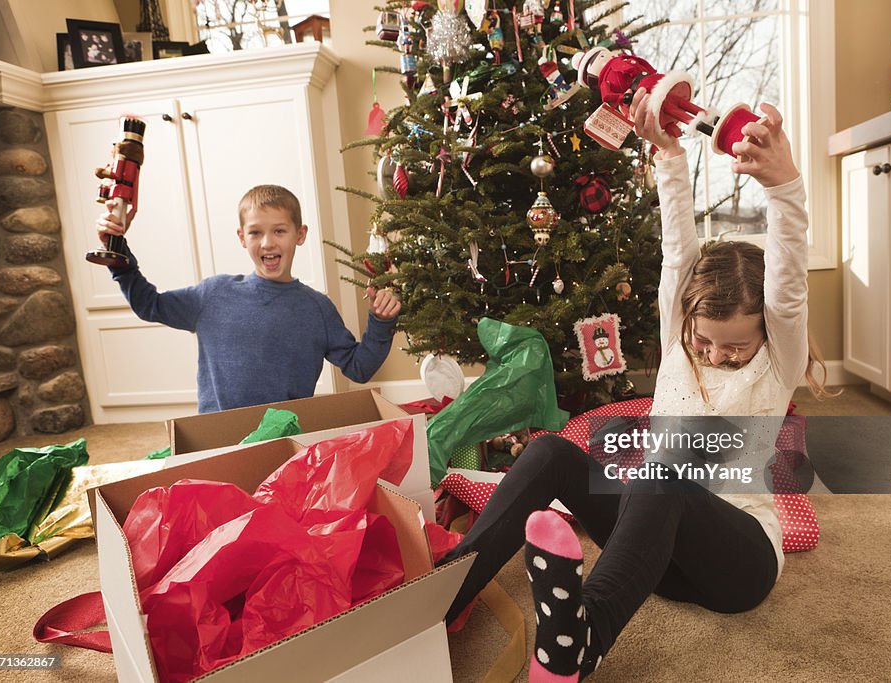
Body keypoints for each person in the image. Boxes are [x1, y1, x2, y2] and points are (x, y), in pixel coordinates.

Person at [438, 94, 834, 681]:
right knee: (552, 451)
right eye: (706, 341)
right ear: (687, 321)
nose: (716, 354)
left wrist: (784, 188)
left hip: (738, 563)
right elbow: (679, 250)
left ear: (766, 339)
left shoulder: (778, 359)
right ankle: (443, 592)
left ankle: (582, 639)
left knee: (665, 472)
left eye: (735, 348)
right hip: (657, 557)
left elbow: (790, 277)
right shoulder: (678, 334)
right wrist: (669, 154)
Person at [97, 184, 400, 413]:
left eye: (280, 230)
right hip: (217, 439)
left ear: (300, 234)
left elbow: (359, 369)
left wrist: (381, 323)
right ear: (242, 237)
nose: (268, 242)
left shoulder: (317, 308)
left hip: (285, 438)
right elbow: (150, 305)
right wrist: (117, 248)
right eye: (256, 233)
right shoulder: (213, 294)